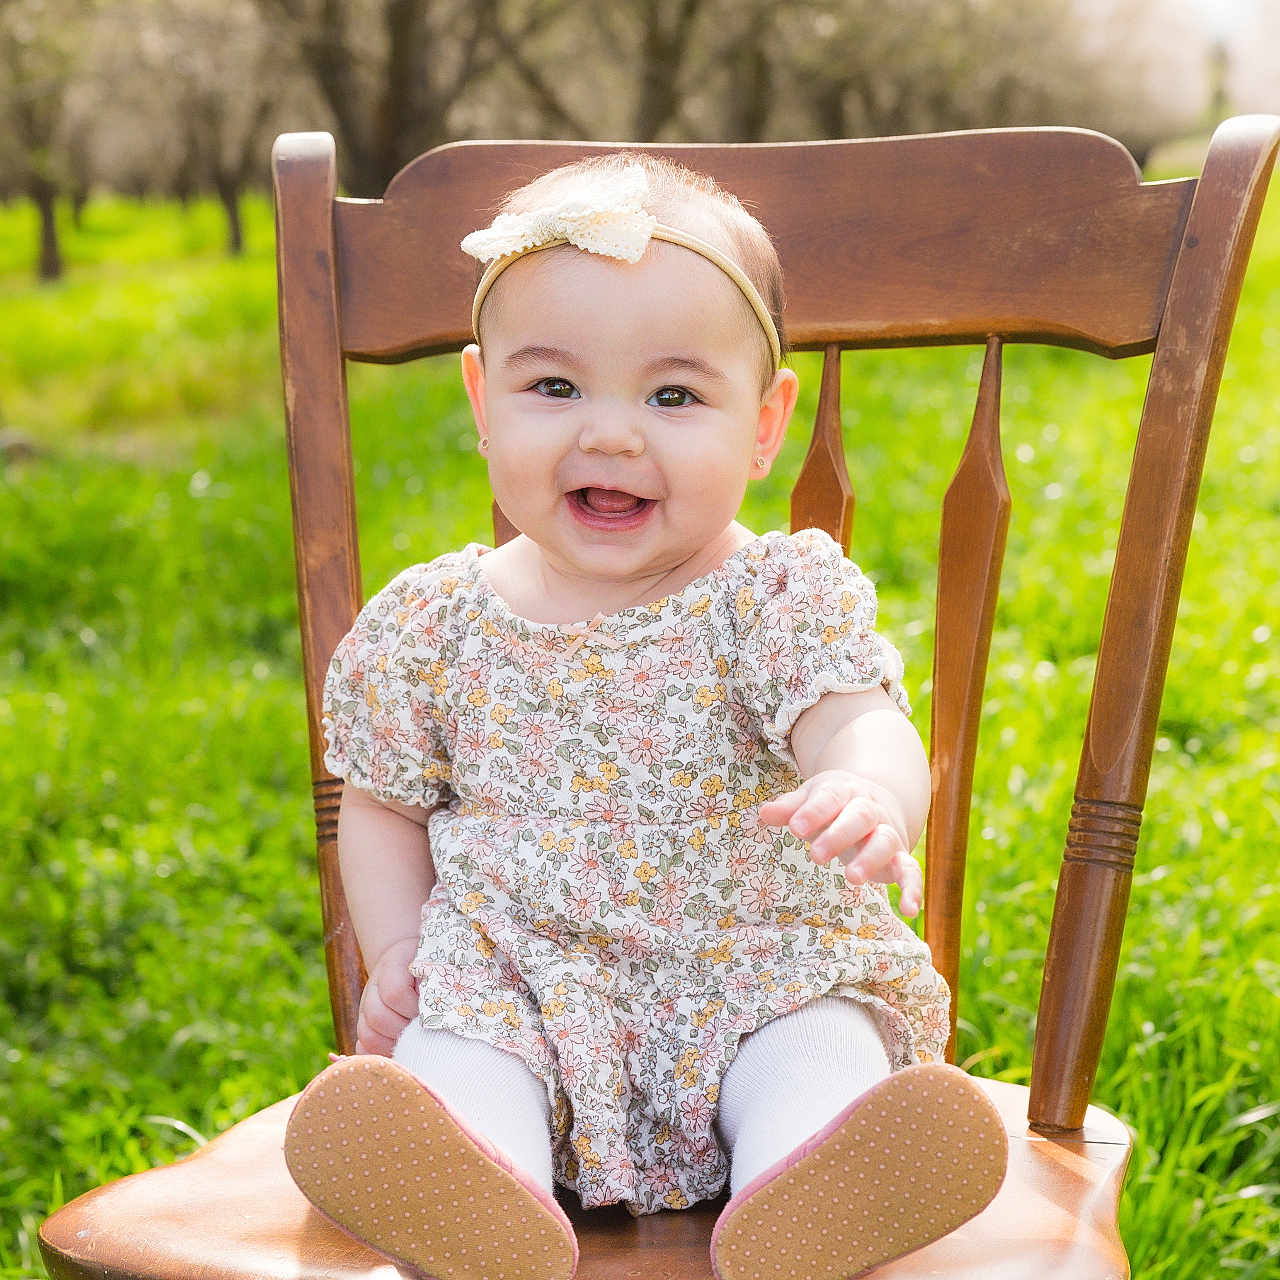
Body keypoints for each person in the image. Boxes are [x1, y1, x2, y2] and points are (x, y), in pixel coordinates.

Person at [283, 153, 1007, 1280]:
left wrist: (866, 788)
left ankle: (808, 1191)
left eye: (672, 396)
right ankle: (478, 1199)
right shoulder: (433, 624)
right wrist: (395, 951)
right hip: (524, 982)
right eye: (554, 388)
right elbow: (378, 800)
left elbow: (857, 717)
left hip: (754, 967)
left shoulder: (770, 598)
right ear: (481, 400)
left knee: (815, 1044)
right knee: (459, 1051)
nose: (611, 435)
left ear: (764, 425)